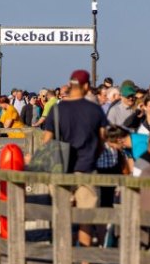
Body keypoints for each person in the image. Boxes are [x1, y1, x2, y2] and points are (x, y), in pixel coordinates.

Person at [41, 77, 108, 246]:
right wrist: (93, 154)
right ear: (86, 86)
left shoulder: (56, 110)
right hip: (86, 167)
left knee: (62, 214)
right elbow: (102, 140)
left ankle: (63, 258)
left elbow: (46, 140)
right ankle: (85, 263)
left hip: (61, 168)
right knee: (86, 218)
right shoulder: (94, 110)